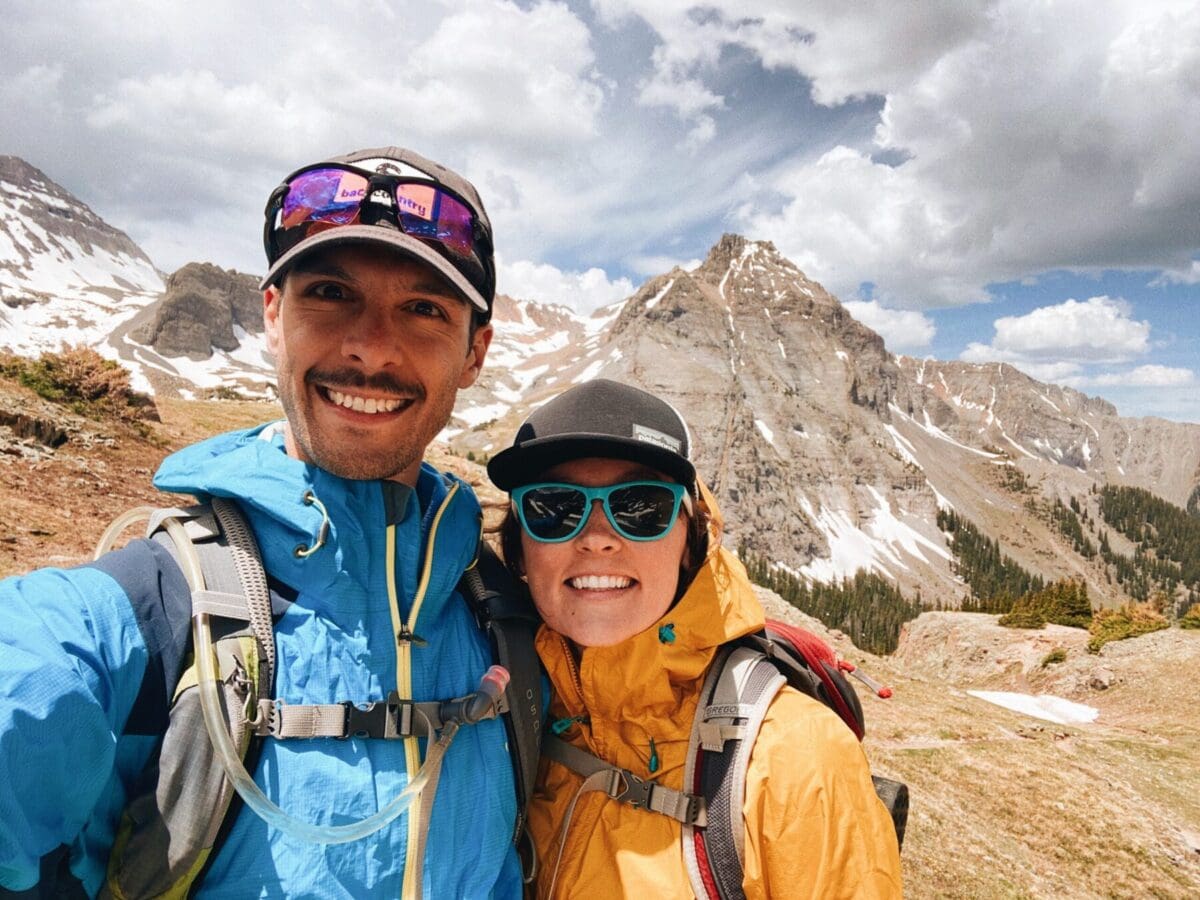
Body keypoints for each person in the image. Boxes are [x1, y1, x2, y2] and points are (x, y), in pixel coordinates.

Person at [0, 147, 524, 898]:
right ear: (273, 317)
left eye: (423, 309)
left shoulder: (503, 612)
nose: (371, 347)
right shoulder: (158, 601)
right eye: (331, 292)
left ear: (475, 352)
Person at [488, 379, 904, 899]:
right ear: (521, 548)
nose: (597, 537)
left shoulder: (796, 756)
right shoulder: (512, 723)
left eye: (642, 507)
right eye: (554, 508)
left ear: (690, 541)